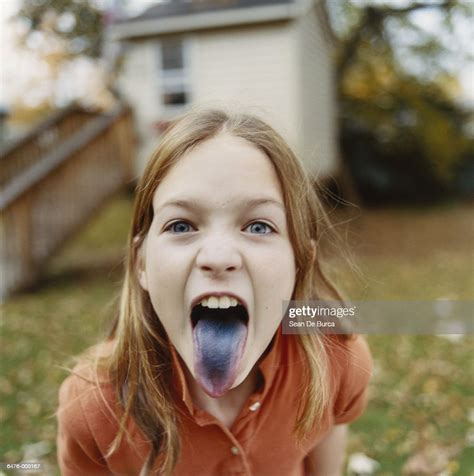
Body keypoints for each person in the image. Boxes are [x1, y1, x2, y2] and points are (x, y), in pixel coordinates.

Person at [56, 108, 373, 476]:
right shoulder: (93, 405)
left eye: (258, 225)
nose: (218, 257)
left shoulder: (337, 357)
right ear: (141, 262)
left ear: (300, 261)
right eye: (181, 225)